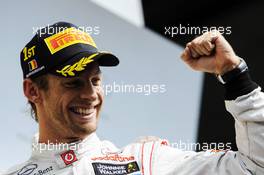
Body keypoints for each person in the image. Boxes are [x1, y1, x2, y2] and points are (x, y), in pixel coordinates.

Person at [2, 21, 264, 175]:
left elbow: (254, 167)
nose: (90, 94)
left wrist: (234, 75)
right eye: (72, 82)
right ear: (33, 91)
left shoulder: (145, 161)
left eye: (95, 80)